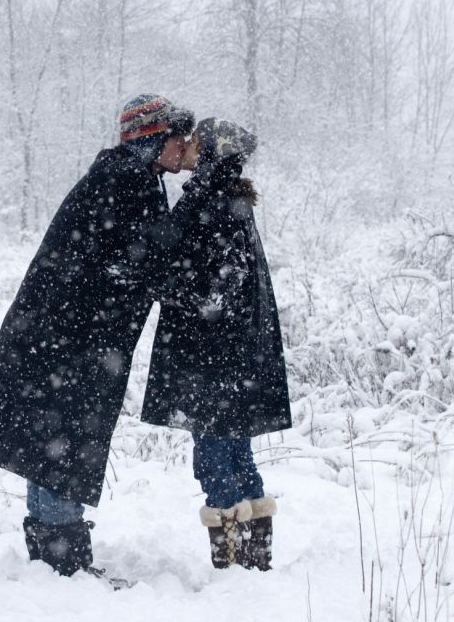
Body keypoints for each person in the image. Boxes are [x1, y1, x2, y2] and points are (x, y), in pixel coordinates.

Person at [0, 94, 235, 579]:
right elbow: (153, 261)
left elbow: (145, 258)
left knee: (54, 443)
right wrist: (202, 203)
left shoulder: (129, 177)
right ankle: (61, 566)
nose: (184, 146)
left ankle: (54, 562)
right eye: (177, 137)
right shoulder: (125, 181)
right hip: (66, 341)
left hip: (62, 337)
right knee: (60, 442)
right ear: (153, 140)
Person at [142, 117, 292, 571]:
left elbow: (216, 288)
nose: (186, 144)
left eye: (195, 140)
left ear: (211, 152)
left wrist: (162, 284)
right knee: (236, 454)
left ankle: (233, 563)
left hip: (210, 358)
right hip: (230, 356)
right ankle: (253, 557)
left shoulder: (212, 201)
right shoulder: (227, 198)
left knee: (214, 459)